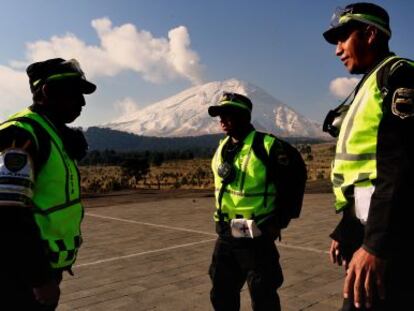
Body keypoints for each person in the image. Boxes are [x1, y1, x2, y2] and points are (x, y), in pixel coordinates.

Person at [322, 2, 414, 310]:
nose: (338, 50)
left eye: (342, 38)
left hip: (391, 237)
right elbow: (363, 176)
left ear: (370, 34)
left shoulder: (398, 76)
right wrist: (348, 228)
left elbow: (400, 165)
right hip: (368, 229)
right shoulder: (369, 83)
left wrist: (376, 244)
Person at [0, 58, 96, 310]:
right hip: (18, 277)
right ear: (47, 91)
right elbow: (8, 214)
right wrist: (40, 279)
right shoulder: (21, 134)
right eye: (76, 93)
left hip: (38, 270)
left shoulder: (51, 131)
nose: (83, 102)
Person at [207, 92, 306, 311]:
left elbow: (295, 180)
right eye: (219, 115)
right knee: (221, 292)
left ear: (243, 116)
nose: (221, 120)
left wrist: (278, 221)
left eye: (227, 114)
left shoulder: (268, 145)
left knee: (263, 294)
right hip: (226, 233)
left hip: (255, 235)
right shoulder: (222, 147)